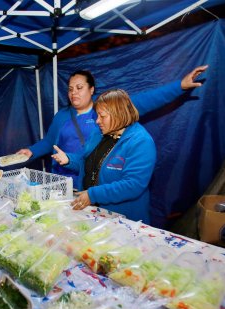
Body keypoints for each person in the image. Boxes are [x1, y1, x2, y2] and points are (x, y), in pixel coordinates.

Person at [16, 66, 208, 188]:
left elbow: (149, 99)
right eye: (70, 89)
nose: (74, 92)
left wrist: (180, 86)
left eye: (79, 87)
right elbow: (49, 141)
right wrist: (30, 151)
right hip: (61, 180)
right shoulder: (62, 116)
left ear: (92, 90)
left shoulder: (111, 111)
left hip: (94, 183)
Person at [52, 89, 155, 224]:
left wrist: (92, 195)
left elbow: (133, 185)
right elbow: (86, 163)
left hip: (123, 220)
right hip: (94, 214)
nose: (97, 121)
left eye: (102, 116)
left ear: (118, 114)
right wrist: (68, 159)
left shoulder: (140, 141)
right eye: (97, 116)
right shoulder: (98, 134)